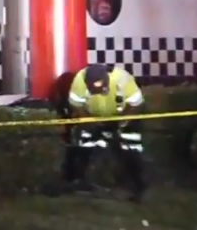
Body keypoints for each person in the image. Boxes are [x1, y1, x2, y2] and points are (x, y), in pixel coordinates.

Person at [62, 63, 147, 202]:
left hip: (122, 116)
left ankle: (138, 187)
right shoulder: (79, 80)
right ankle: (80, 182)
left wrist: (120, 124)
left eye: (101, 89)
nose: (99, 91)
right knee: (84, 145)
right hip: (93, 116)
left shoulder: (122, 79)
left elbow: (135, 104)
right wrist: (90, 121)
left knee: (131, 148)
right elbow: (76, 105)